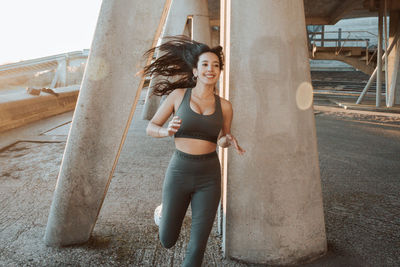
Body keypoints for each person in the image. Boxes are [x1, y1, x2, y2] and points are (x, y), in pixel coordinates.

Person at [142, 36, 245, 267]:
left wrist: (227, 140)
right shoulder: (178, 96)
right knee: (167, 239)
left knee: (197, 246)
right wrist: (166, 131)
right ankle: (163, 212)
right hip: (179, 171)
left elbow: (220, 139)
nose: (211, 69)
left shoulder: (225, 106)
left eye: (216, 65)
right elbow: (151, 127)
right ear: (196, 71)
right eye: (205, 64)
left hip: (209, 176)